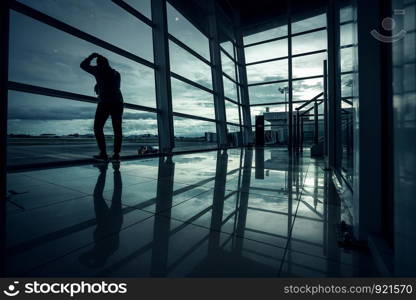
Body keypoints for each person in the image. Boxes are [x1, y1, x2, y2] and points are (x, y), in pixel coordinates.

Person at [80, 53, 123, 161]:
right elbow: (112, 85)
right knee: (117, 129)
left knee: (98, 128)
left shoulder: (98, 70)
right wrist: (98, 84)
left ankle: (103, 153)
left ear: (99, 64)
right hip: (118, 102)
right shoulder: (116, 73)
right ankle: (116, 154)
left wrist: (91, 56)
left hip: (105, 102)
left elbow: (83, 65)